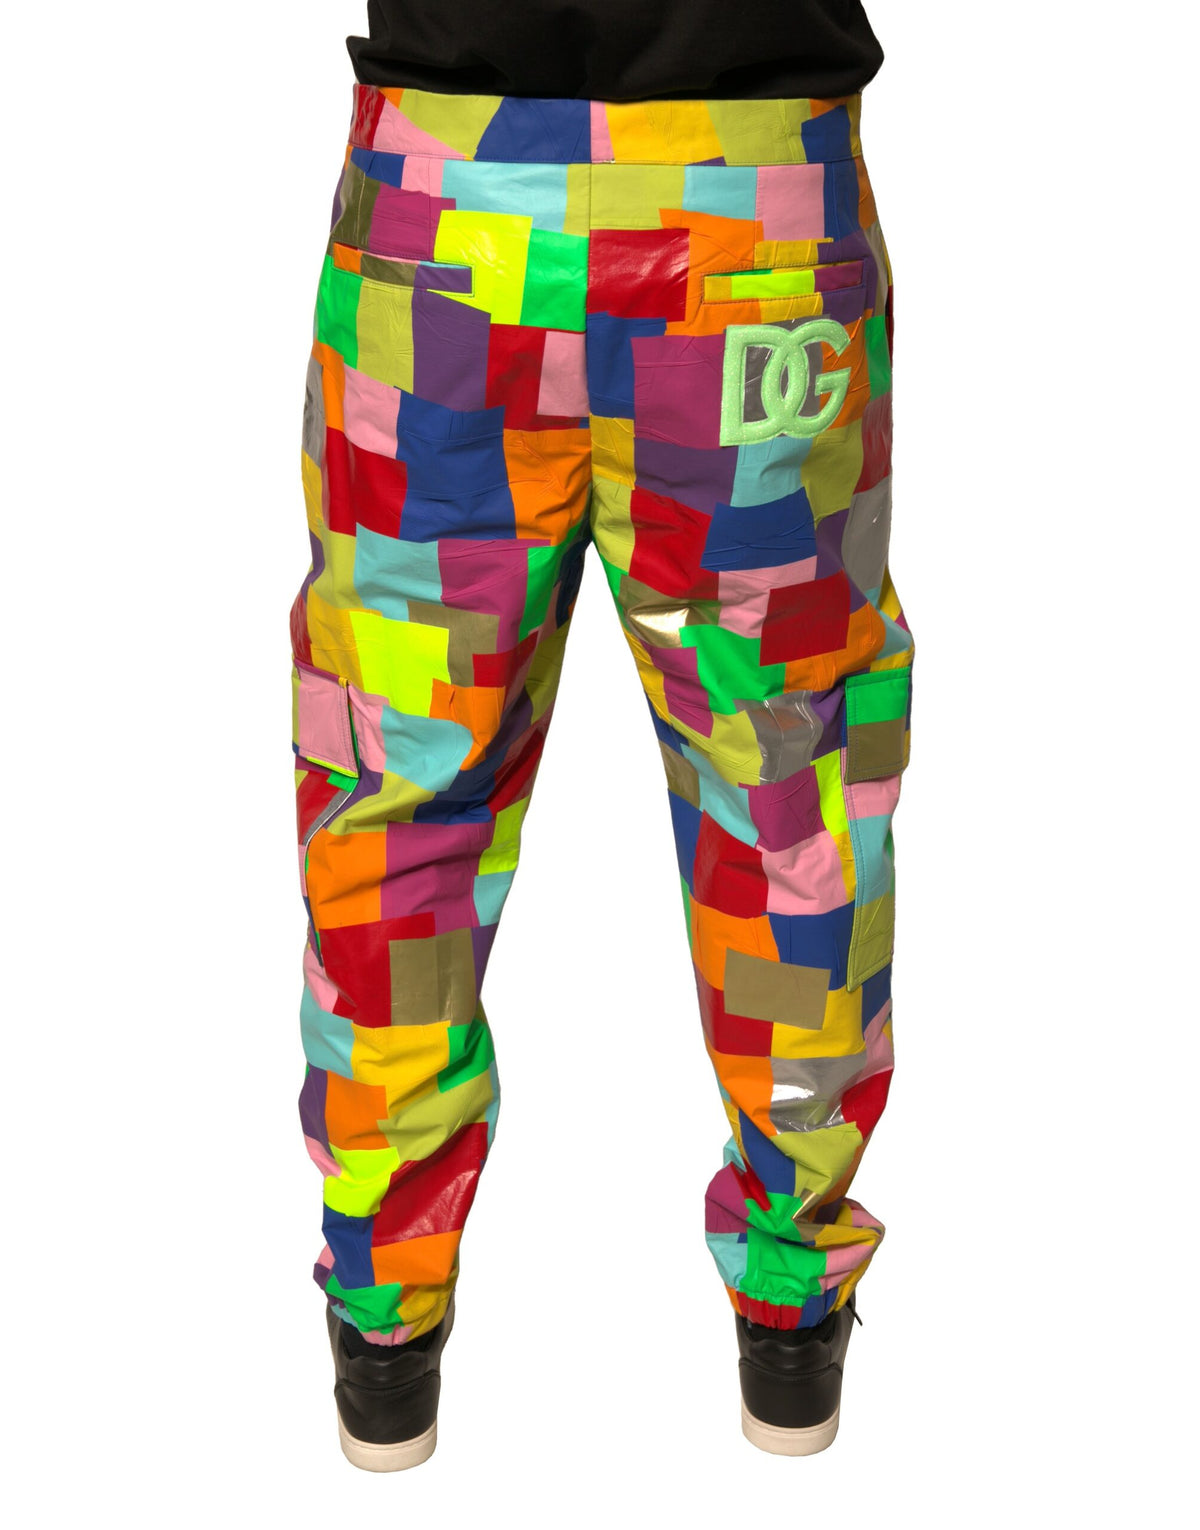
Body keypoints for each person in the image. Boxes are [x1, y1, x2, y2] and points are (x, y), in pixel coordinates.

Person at [289, 0, 911, 1470]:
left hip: (447, 227)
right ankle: (793, 1315)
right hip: (750, 224)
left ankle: (384, 1329)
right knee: (789, 791)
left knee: (399, 796)